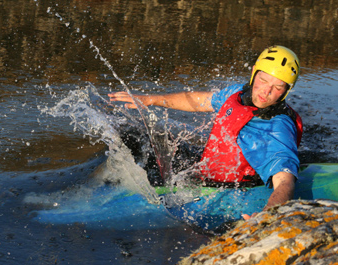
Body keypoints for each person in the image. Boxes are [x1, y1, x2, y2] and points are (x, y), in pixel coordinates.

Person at [108, 45, 302, 220]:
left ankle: (109, 195)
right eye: (263, 80)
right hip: (205, 170)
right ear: (253, 73)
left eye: (277, 87)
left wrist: (267, 216)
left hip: (231, 186)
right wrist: (150, 99)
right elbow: (199, 100)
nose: (265, 91)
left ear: (286, 91)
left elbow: (285, 181)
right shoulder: (239, 94)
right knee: (132, 138)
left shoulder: (276, 128)